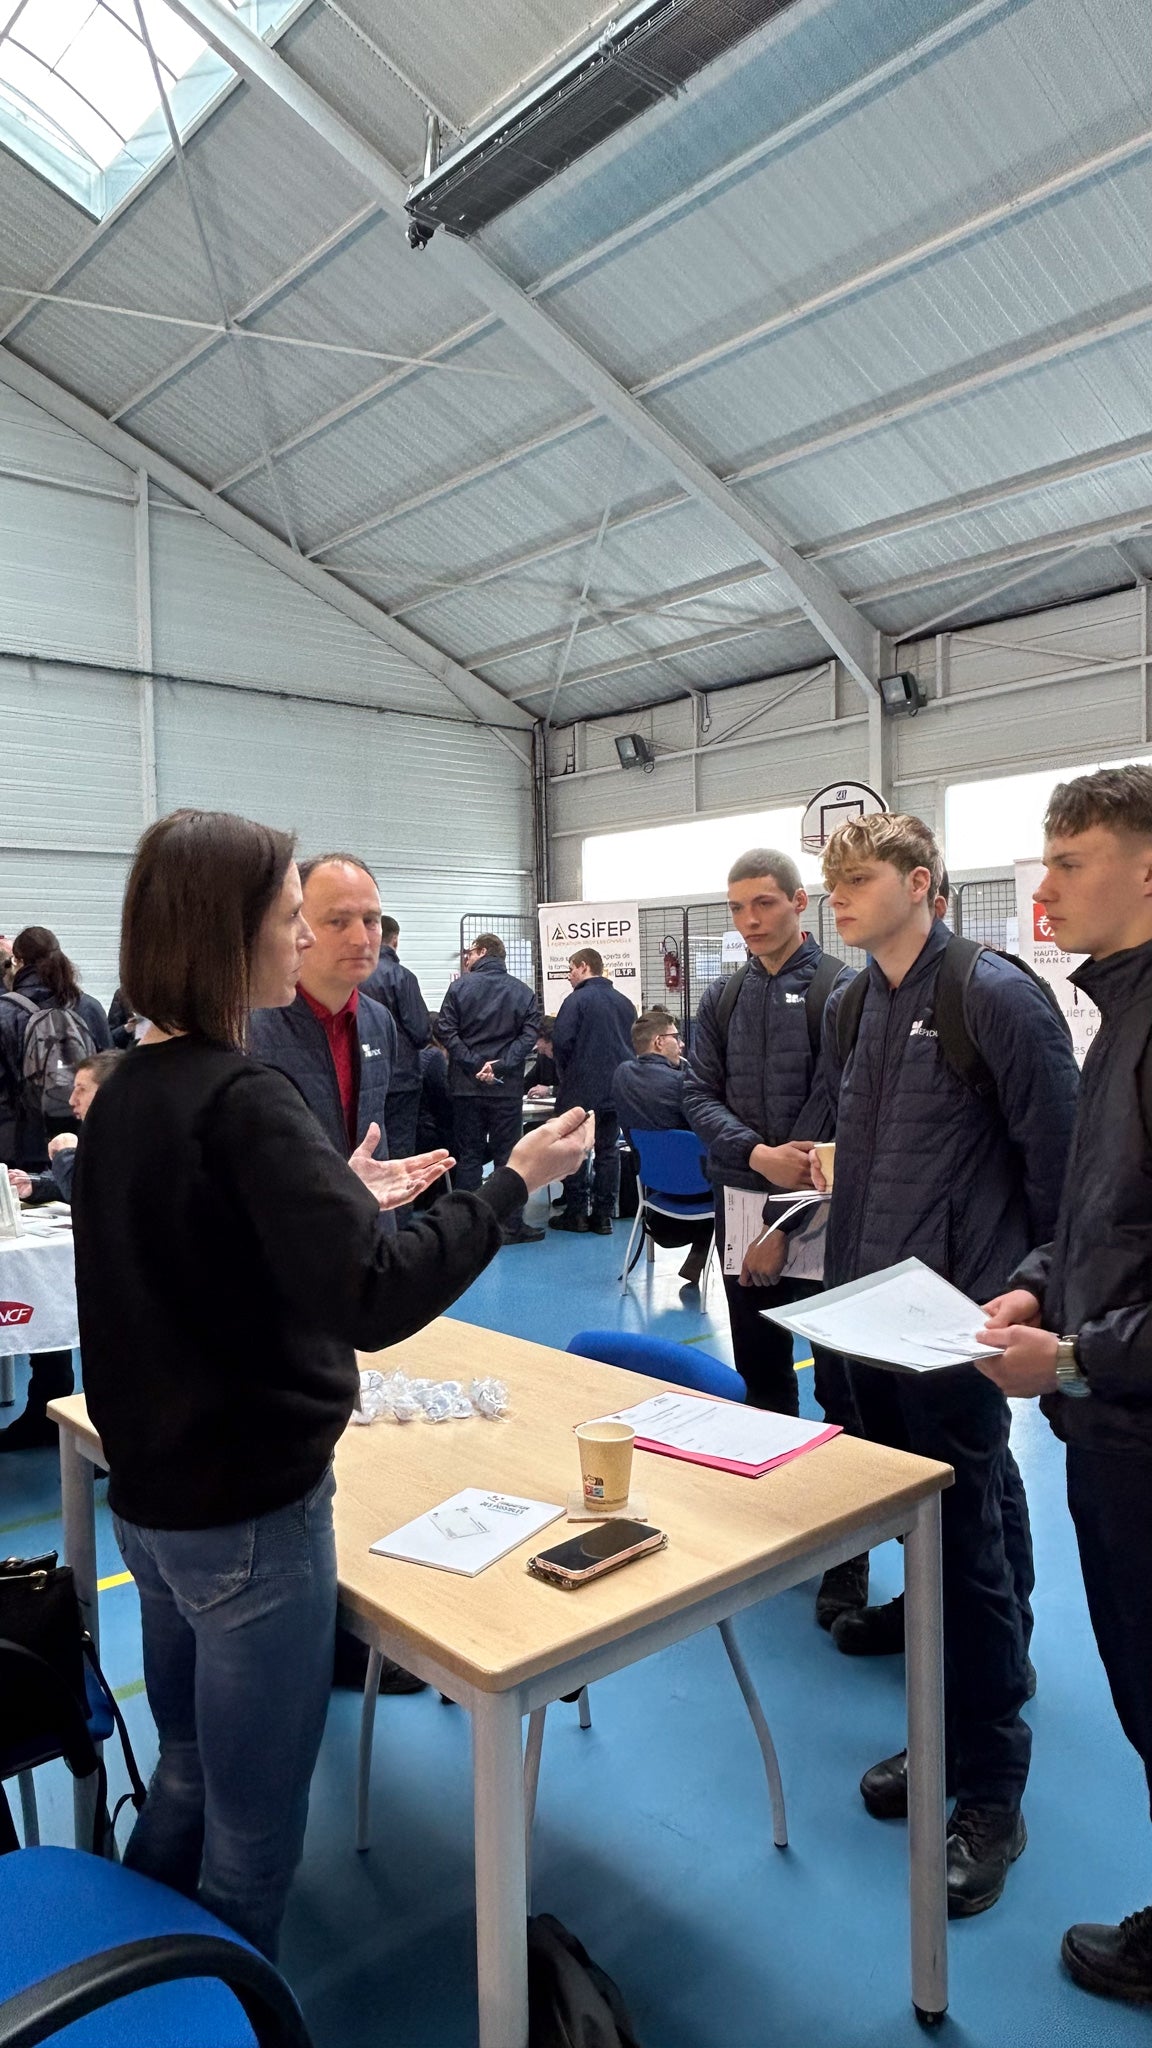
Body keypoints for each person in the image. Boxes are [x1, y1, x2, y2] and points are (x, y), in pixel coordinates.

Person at [71, 808, 591, 1959]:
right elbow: (375, 1297)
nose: (304, 931)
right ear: (235, 933)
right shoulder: (243, 1095)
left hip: (153, 1506)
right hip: (250, 1512)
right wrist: (510, 1183)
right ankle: (219, 2007)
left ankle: (124, 1973)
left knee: (187, 1769)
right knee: (255, 1837)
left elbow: (196, 1255)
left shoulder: (124, 1093)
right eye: (288, 913)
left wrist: (334, 1190)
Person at [814, 811, 1079, 1915]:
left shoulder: (994, 996)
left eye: (860, 879)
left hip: (958, 1326)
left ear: (921, 882)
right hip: (872, 1318)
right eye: (834, 882)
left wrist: (1033, 1288)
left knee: (962, 1549)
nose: (841, 898)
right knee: (930, 1537)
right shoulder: (855, 1003)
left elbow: (1064, 1167)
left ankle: (991, 1790)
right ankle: (943, 1731)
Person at [973, 765, 1152, 1998]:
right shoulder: (1115, 1008)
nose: (1045, 888)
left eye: (1071, 860)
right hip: (1112, 1426)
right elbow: (1105, 1211)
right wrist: (1041, 1279)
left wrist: (1081, 1355)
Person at [249, 852, 397, 1211]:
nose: (361, 938)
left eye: (371, 920)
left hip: (363, 1232)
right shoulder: (249, 1027)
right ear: (296, 926)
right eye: (338, 921)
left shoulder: (379, 1023)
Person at [0, 1049, 126, 1453]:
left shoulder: (130, 1137)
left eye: (81, 1090)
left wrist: (67, 1154)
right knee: (48, 1306)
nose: (71, 1100)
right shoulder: (102, 1134)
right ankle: (46, 1408)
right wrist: (36, 1185)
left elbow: (91, 1192)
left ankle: (104, 1434)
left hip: (125, 1278)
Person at [439, 933, 543, 1245]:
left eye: (469, 952)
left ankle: (467, 1229)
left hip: (466, 1087)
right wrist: (501, 1065)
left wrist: (473, 1064)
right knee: (508, 1158)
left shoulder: (459, 987)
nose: (467, 958)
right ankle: (510, 1225)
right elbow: (529, 1035)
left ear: (483, 951)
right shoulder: (524, 992)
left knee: (469, 1156)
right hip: (506, 1088)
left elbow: (444, 1028)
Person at [613, 1010, 713, 1286]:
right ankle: (703, 1252)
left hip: (651, 1191)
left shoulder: (621, 1075)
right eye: (675, 1037)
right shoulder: (682, 1084)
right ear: (659, 1042)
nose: (680, 1044)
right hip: (696, 1194)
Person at [0, 925, 111, 1168]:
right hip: (79, 1147)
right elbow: (110, 1076)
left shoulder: (4, 1012)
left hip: (18, 1151)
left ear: (18, 962)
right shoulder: (89, 1007)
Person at [550, 949, 636, 1237]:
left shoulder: (575, 1001)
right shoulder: (626, 1004)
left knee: (574, 1149)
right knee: (607, 1150)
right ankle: (603, 1216)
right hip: (617, 1089)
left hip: (580, 1089)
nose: (569, 975)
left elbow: (561, 1042)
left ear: (584, 967)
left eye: (571, 969)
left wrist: (568, 1074)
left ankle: (576, 1212)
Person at [362, 916, 431, 1191]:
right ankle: (399, 1221)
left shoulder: (353, 976)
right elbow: (421, 1030)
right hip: (402, 1078)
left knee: (366, 1147)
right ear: (395, 939)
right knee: (401, 1150)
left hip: (364, 1075)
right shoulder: (402, 977)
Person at [525, 1017, 557, 1097]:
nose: (535, 1044)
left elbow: (575, 1088)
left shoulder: (571, 1056)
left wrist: (550, 1090)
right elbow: (528, 1082)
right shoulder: (542, 1056)